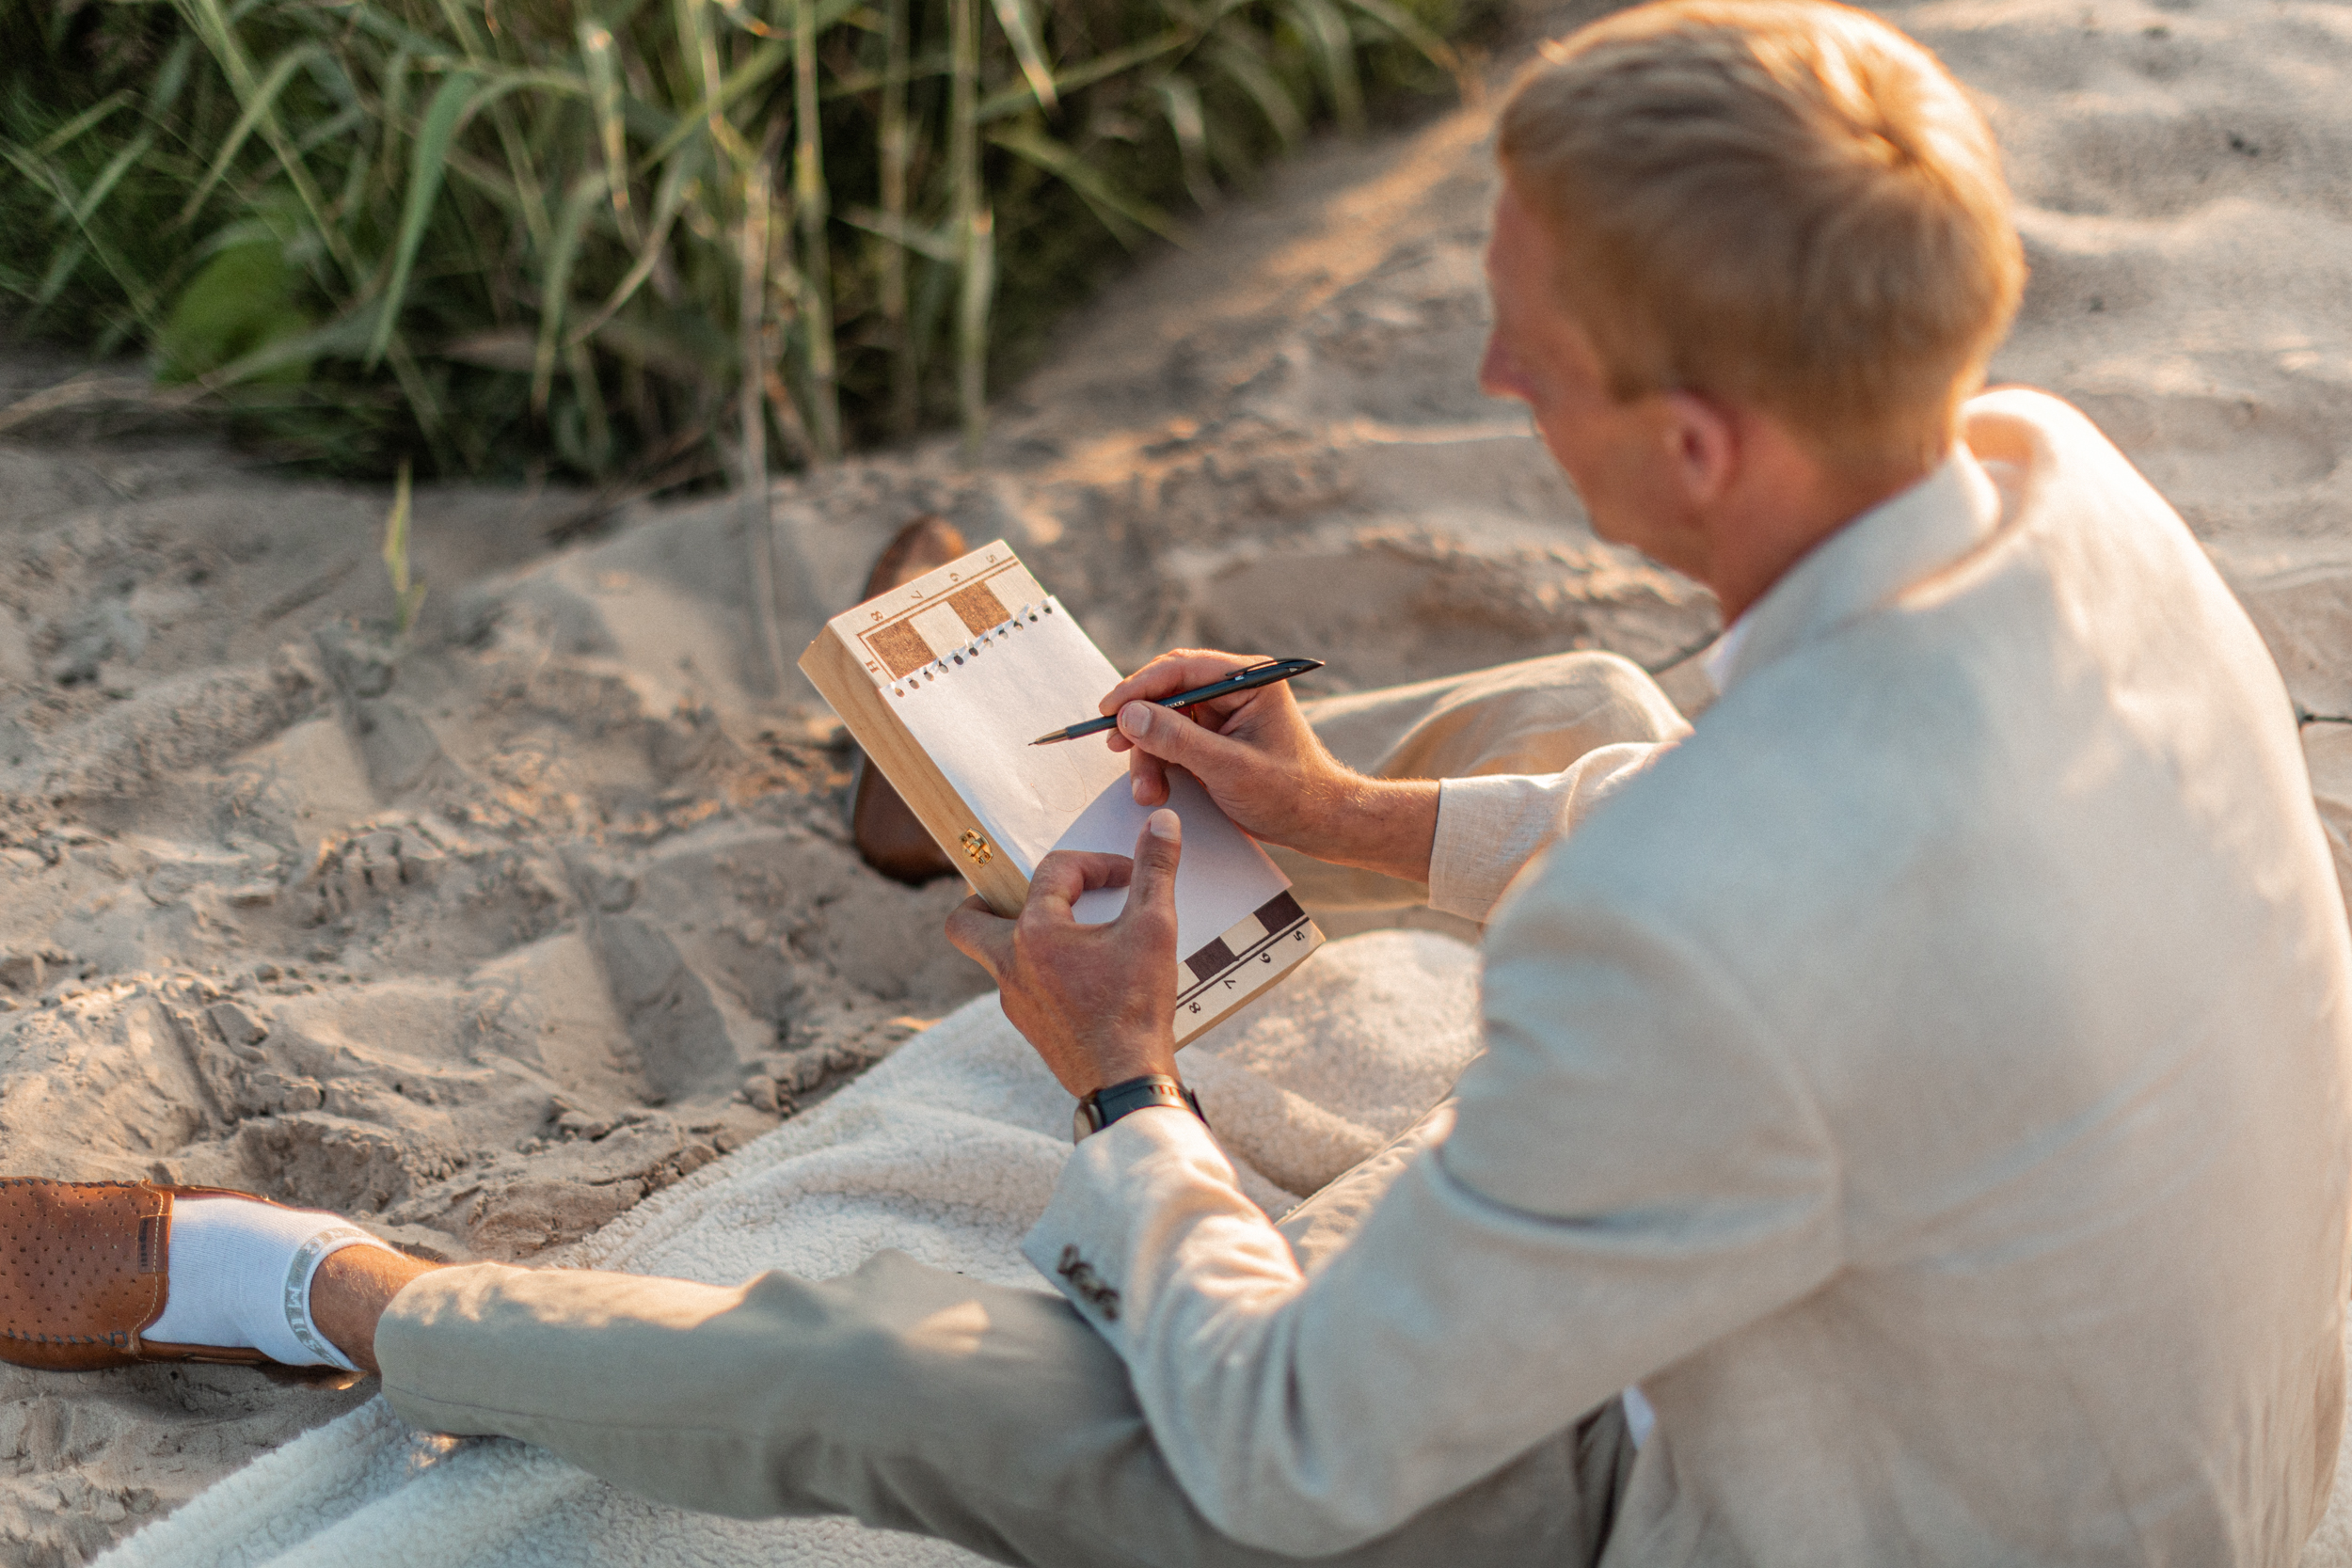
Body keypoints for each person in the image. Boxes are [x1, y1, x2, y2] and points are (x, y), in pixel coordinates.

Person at [7, 0, 2348, 1560]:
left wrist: (1122, 1096)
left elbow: (1287, 1443)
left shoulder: (1704, 931)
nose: (1481, 363)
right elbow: (1775, 835)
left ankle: (325, 1288)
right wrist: (1339, 828)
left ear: (1695, 435)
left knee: (1021, 1391)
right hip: (2119, 1387)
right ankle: (1025, 785)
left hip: (1868, 1513)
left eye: (1526, 346)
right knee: (1569, 717)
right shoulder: (2045, 487)